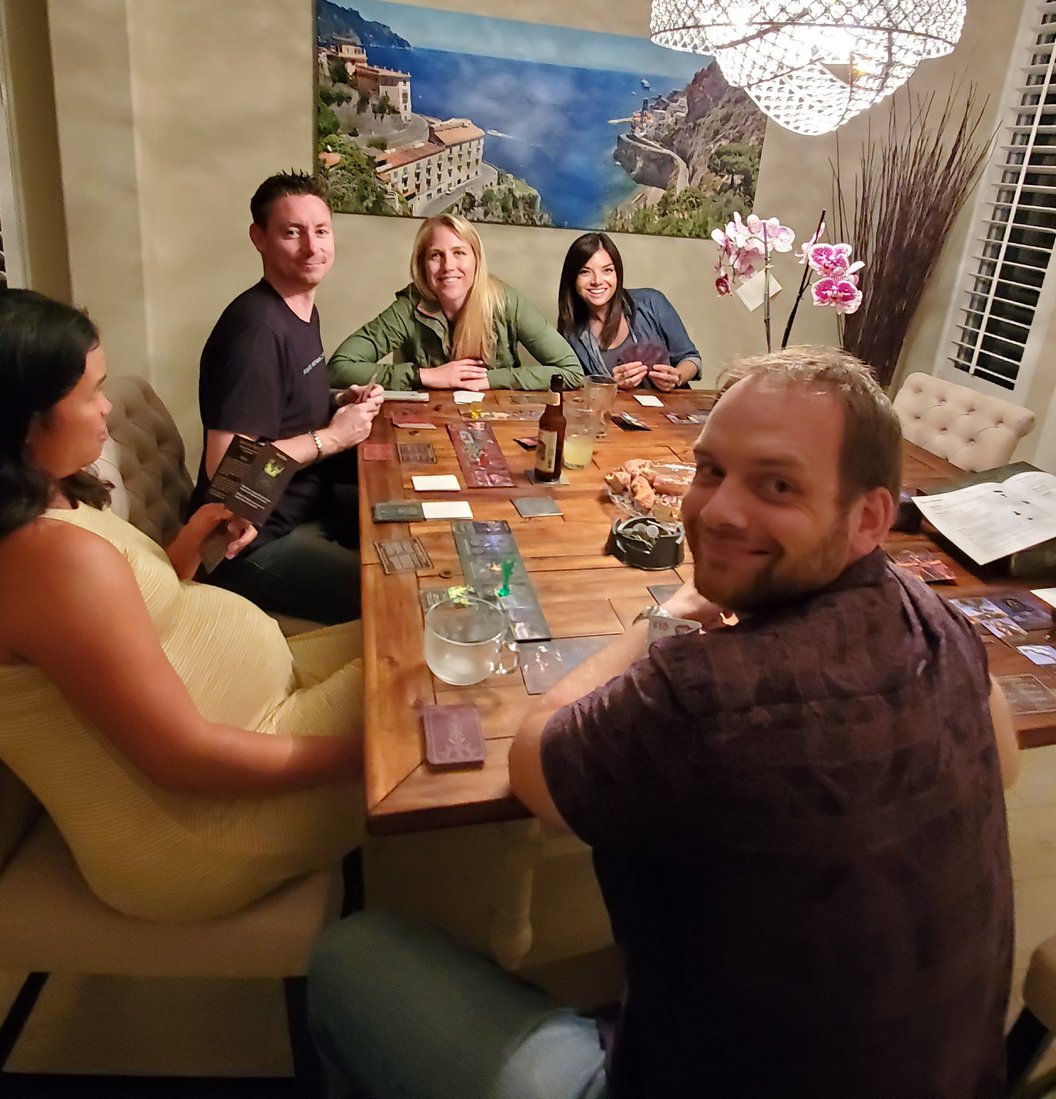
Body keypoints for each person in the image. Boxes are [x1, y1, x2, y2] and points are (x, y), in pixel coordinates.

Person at [306, 347, 1018, 1099]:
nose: (718, 511)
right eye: (711, 470)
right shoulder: (936, 616)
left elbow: (533, 763)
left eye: (777, 484)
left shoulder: (702, 690)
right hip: (962, 1077)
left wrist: (659, 621)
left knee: (353, 954)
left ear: (869, 516)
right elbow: (1001, 760)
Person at [0, 289, 366, 923]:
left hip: (265, 711)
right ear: (21, 421)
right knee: (442, 693)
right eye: (90, 393)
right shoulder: (36, 561)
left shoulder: (33, 501)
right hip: (208, 828)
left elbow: (131, 611)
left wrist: (191, 541)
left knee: (419, 634)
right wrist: (374, 750)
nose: (105, 409)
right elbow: (183, 760)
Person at [194, 171, 384, 624]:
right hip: (250, 545)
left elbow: (284, 409)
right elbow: (228, 475)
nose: (312, 247)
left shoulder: (297, 307)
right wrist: (331, 438)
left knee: (420, 527)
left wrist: (338, 402)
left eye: (321, 231)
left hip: (304, 504)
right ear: (258, 238)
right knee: (397, 595)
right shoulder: (256, 330)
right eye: (292, 233)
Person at [328, 213, 583, 392]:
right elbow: (338, 368)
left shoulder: (506, 302)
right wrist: (424, 376)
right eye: (435, 255)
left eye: (459, 252)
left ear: (476, 260)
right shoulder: (409, 307)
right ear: (422, 265)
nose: (448, 266)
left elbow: (571, 371)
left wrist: (491, 379)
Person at [557, 231, 701, 391]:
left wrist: (677, 377)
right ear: (572, 279)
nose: (597, 281)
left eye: (607, 270)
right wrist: (613, 385)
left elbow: (691, 358)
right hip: (617, 407)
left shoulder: (652, 302)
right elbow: (574, 388)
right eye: (585, 272)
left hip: (670, 405)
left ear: (618, 274)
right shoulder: (571, 332)